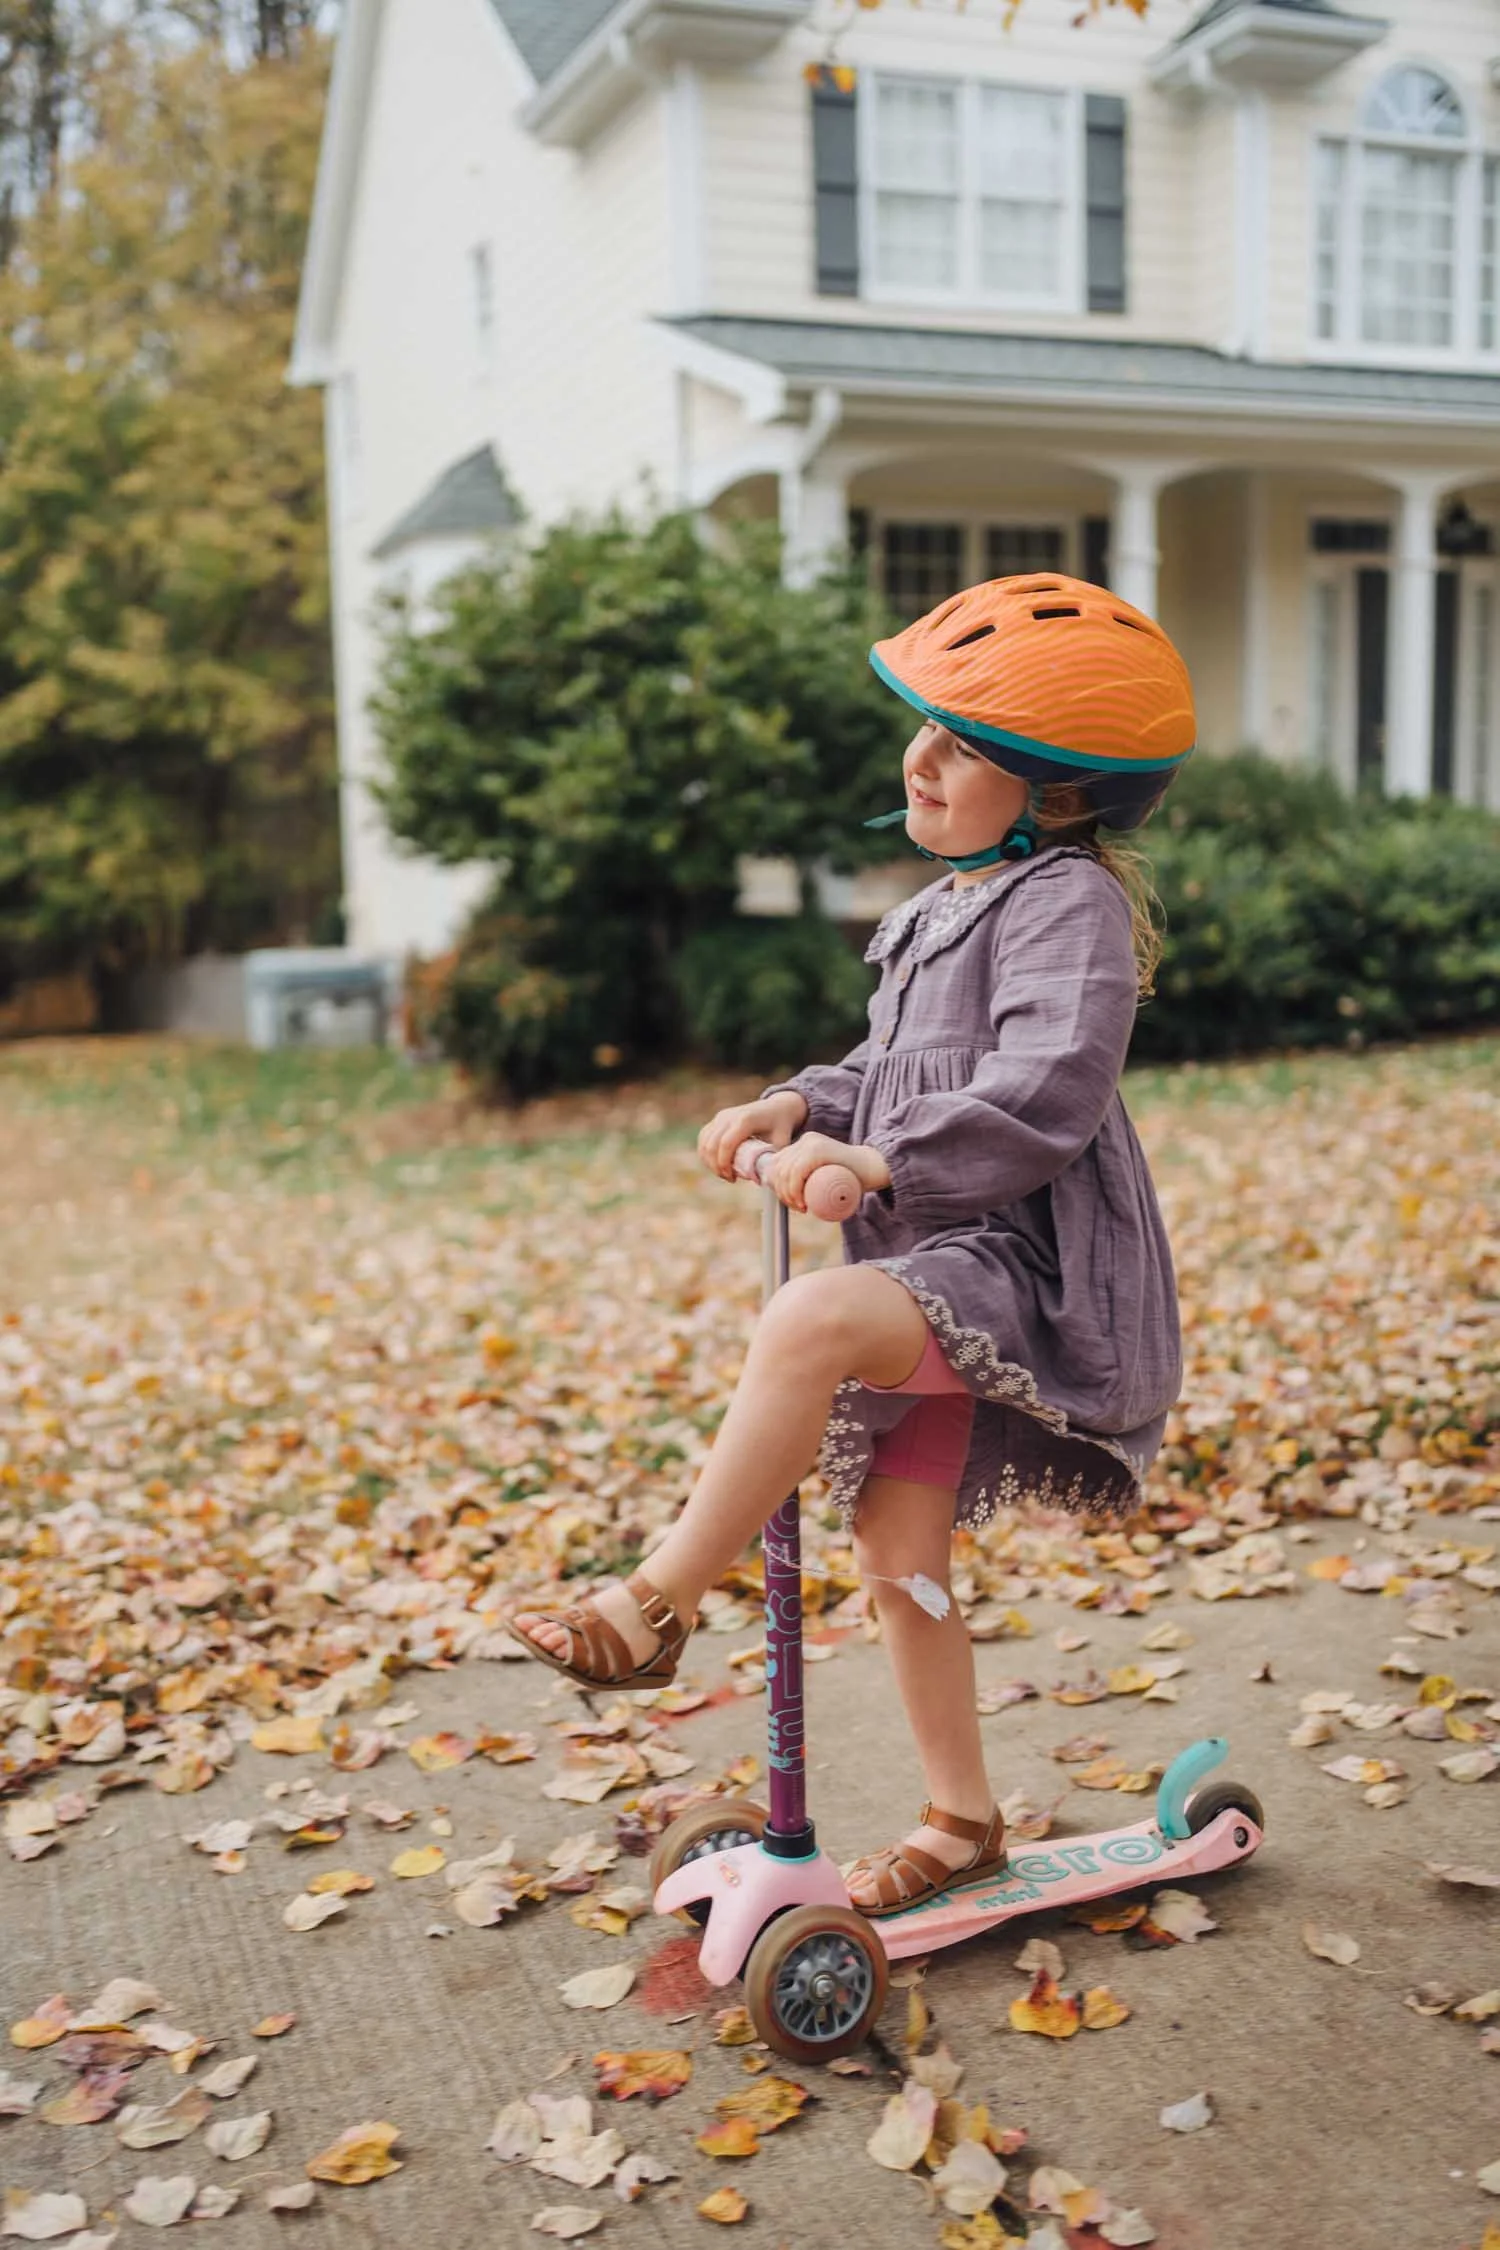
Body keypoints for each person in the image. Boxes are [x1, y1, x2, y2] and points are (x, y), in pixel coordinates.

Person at [507, 571, 1194, 1919]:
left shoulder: (1070, 906)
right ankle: (962, 1819)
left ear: (1056, 789)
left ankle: (656, 1605)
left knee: (806, 1326)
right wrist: (799, 1105)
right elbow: (886, 1068)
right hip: (926, 1250)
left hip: (1021, 1260)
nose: (921, 761)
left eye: (964, 747)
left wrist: (881, 1159)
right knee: (899, 1557)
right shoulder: (936, 907)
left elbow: (1046, 1088)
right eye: (924, 733)